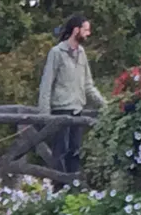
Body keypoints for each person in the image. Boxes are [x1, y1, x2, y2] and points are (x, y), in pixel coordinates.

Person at [37, 15, 105, 177]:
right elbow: (46, 85)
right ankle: (59, 187)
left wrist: (106, 105)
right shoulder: (56, 52)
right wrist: (44, 115)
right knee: (60, 151)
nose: (88, 33)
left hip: (77, 110)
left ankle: (73, 187)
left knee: (75, 152)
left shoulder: (81, 53)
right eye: (86, 30)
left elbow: (89, 85)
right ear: (76, 30)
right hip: (60, 111)